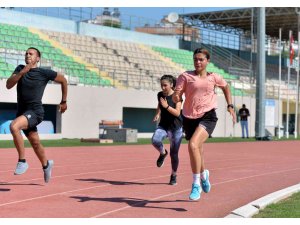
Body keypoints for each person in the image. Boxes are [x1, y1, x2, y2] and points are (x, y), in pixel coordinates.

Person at [173, 48, 236, 201]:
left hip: (208, 116)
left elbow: (226, 87)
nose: (198, 62)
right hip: (189, 117)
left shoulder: (214, 77)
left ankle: (196, 185)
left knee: (193, 145)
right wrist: (176, 97)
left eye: (201, 59)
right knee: (198, 150)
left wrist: (230, 105)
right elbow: (177, 96)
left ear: (208, 61)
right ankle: (203, 174)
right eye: (195, 59)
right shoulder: (185, 76)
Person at [6, 47, 68, 183]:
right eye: (26, 53)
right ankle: (46, 165)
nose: (27, 55)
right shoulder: (19, 69)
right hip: (23, 112)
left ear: (37, 58)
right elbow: (8, 85)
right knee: (35, 142)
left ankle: (22, 161)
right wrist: (21, 73)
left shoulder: (44, 73)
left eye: (31, 54)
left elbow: (63, 80)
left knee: (14, 126)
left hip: (35, 112)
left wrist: (63, 101)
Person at [152, 75, 183, 185]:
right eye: (161, 85)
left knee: (174, 155)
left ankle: (174, 175)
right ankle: (163, 153)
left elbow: (177, 113)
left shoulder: (177, 96)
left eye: (165, 85)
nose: (163, 87)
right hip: (163, 126)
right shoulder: (160, 94)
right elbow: (159, 104)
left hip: (176, 128)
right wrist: (157, 113)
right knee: (155, 140)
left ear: (171, 85)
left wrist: (166, 107)